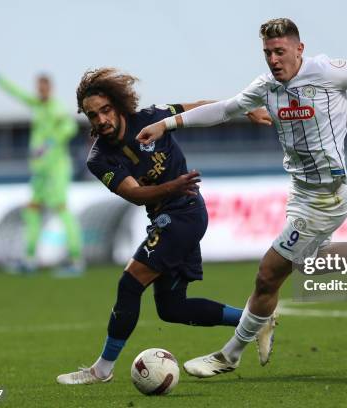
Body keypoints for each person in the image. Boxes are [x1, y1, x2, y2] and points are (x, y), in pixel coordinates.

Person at [136, 17, 347, 378]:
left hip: (326, 197)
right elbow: (225, 109)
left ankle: (229, 355)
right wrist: (166, 124)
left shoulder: (327, 72)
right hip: (300, 194)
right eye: (267, 53)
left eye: (280, 52)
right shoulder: (266, 86)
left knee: (268, 274)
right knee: (313, 262)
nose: (273, 59)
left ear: (299, 49)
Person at [56, 67, 271, 384]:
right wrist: (172, 186)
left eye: (105, 110)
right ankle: (255, 321)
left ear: (117, 106)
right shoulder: (98, 158)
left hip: (184, 215)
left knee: (130, 284)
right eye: (92, 115)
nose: (101, 119)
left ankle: (101, 370)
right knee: (172, 308)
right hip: (166, 216)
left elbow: (198, 108)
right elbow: (134, 194)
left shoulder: (150, 119)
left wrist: (244, 107)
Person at [0, 62, 83, 276]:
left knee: (61, 209)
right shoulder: (37, 105)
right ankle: (30, 258)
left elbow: (70, 127)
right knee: (32, 210)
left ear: (50, 88)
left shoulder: (55, 107)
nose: (40, 91)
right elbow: (13, 90)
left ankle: (75, 259)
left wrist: (50, 143)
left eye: (43, 87)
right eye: (38, 87)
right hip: (41, 171)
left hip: (56, 170)